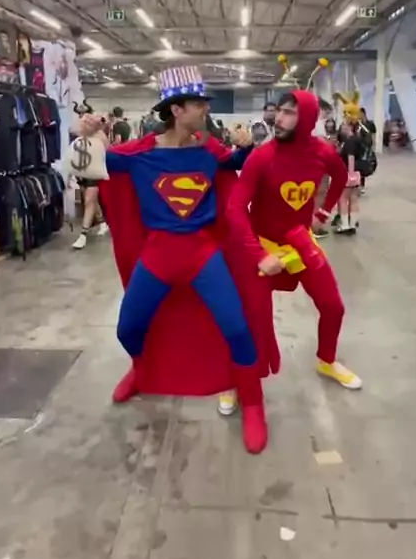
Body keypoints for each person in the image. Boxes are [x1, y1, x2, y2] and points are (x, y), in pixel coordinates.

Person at [68, 67, 279, 454]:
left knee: (237, 328)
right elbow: (87, 167)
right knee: (128, 329)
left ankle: (252, 401)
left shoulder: (209, 151)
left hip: (203, 255)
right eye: (199, 104)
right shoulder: (139, 154)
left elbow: (239, 163)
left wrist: (248, 146)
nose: (206, 109)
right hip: (158, 255)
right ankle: (142, 370)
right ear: (177, 110)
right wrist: (84, 135)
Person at [226, 90, 362, 407]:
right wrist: (259, 254)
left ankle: (326, 360)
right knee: (247, 319)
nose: (279, 118)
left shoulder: (323, 151)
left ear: (308, 119)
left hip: (300, 242)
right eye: (279, 111)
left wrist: (324, 212)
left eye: (289, 112)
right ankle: (234, 378)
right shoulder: (262, 156)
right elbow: (235, 208)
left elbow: (340, 176)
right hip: (262, 247)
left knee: (333, 307)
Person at [70, 103, 108, 250]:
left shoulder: (100, 135)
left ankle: (83, 234)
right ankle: (102, 222)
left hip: (95, 172)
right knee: (90, 201)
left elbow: (107, 153)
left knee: (89, 200)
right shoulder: (81, 134)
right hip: (83, 172)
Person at [336, 121, 365, 234]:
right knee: (354, 199)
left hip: (348, 172)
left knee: (343, 198)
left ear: (349, 126)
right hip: (357, 173)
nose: (342, 127)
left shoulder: (349, 141)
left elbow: (350, 157)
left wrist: (350, 174)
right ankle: (353, 224)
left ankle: (344, 224)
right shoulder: (358, 139)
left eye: (344, 125)